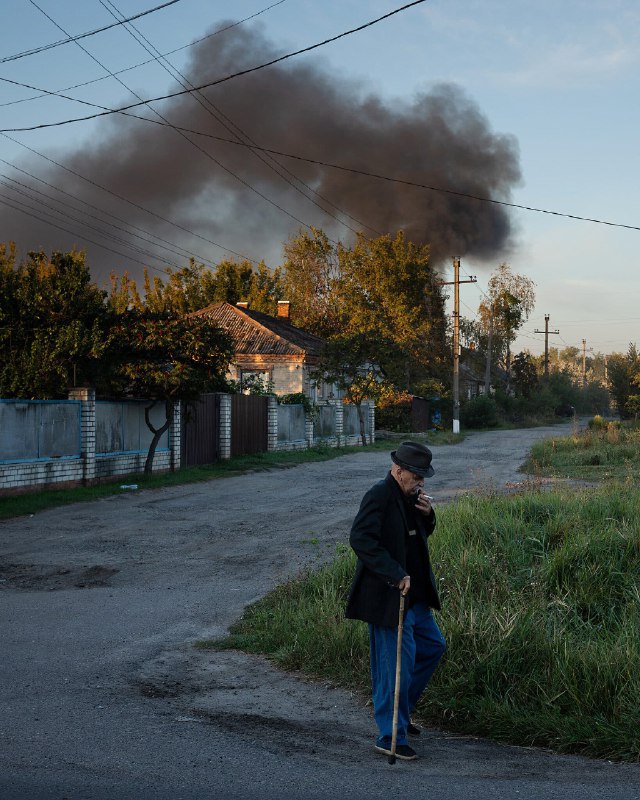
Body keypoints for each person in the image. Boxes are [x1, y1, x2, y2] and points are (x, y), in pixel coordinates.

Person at [345, 441, 445, 761]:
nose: (421, 482)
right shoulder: (379, 495)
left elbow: (419, 535)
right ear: (398, 470)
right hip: (390, 597)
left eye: (423, 476)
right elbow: (360, 539)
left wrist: (429, 516)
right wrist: (394, 573)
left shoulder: (411, 497)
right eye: (417, 475)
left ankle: (400, 713)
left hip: (415, 597)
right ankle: (390, 733)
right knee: (394, 666)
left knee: (432, 647)